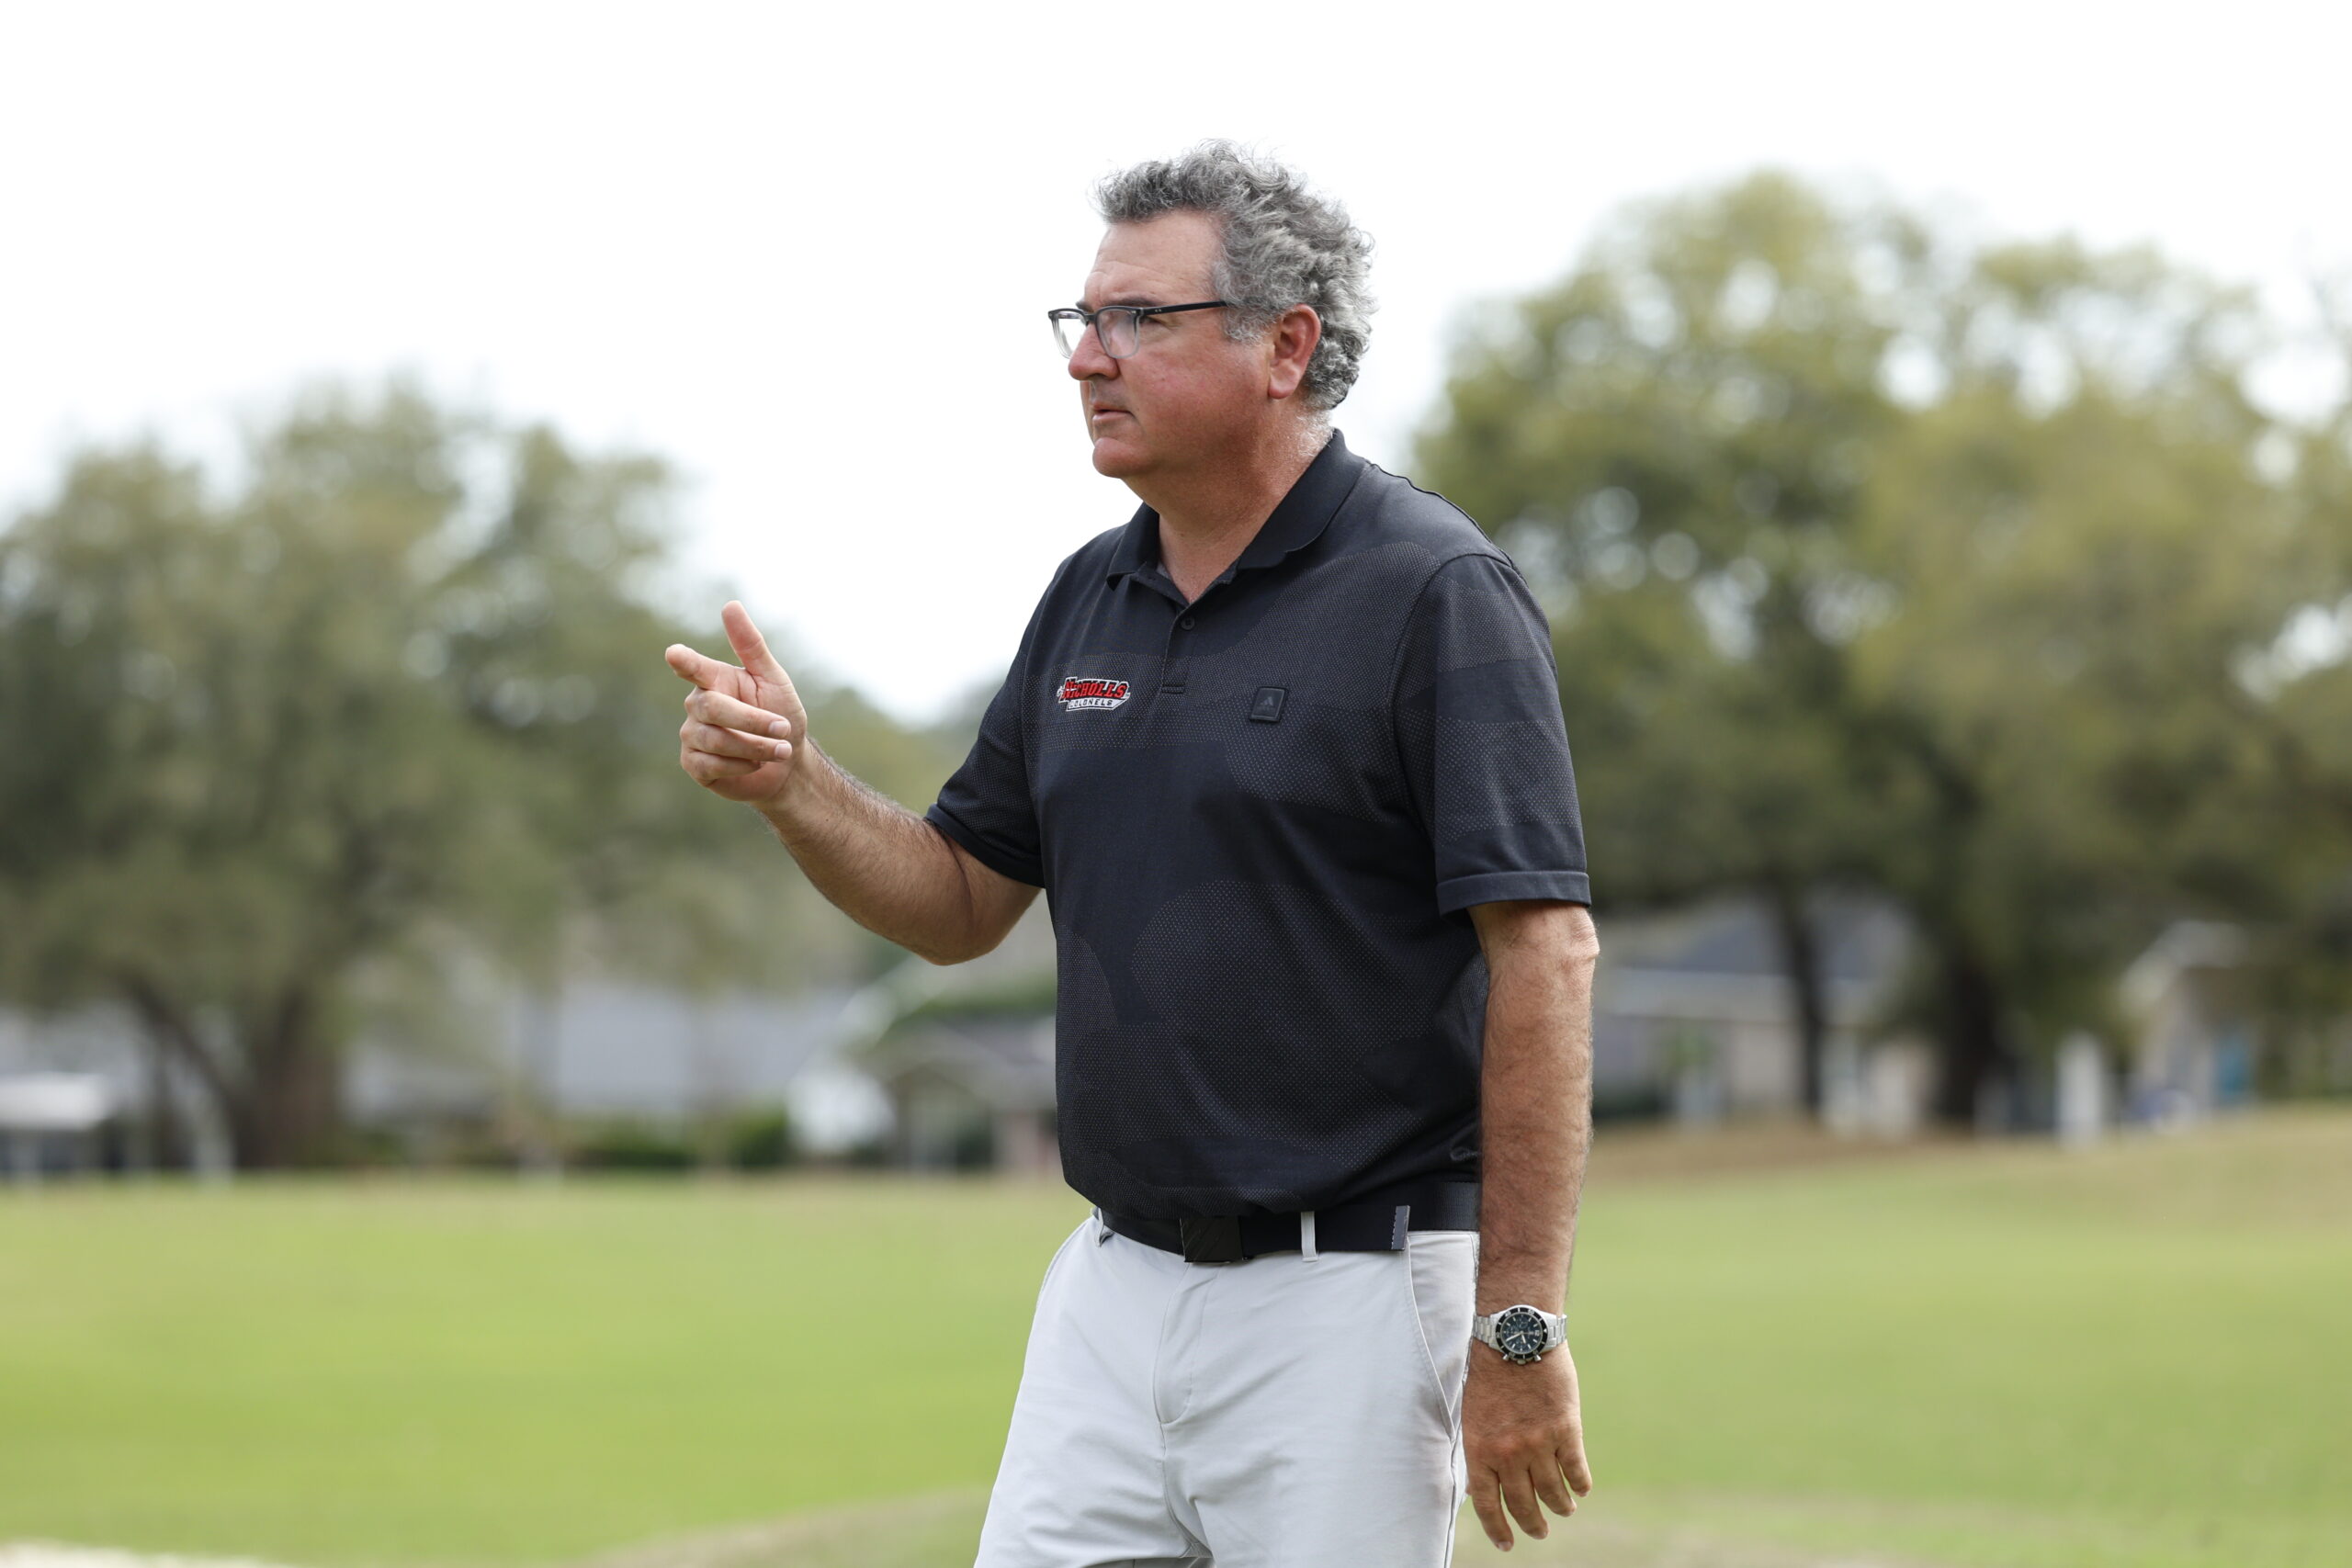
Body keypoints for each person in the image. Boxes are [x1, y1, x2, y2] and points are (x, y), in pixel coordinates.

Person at [665, 140, 1599, 1566]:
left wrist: (1518, 1323)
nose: (1086, 358)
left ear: (1285, 346)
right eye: (1080, 320)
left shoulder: (1435, 592)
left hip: (1350, 1301)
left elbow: (1545, 954)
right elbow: (961, 900)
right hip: (1109, 1292)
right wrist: (797, 787)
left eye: (1136, 321)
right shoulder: (1089, 596)